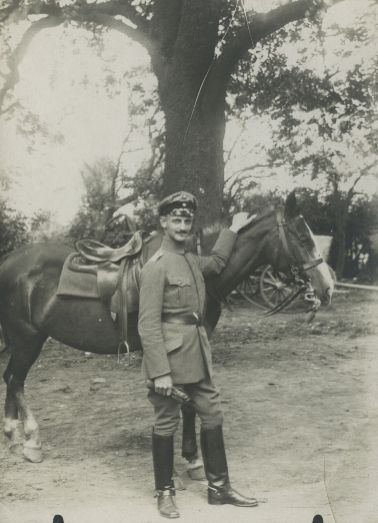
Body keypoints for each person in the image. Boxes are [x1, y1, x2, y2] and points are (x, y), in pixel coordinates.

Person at [138, 191, 258, 519]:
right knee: (166, 421)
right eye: (175, 220)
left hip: (198, 354)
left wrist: (233, 228)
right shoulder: (155, 267)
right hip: (171, 360)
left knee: (213, 414)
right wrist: (159, 371)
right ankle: (165, 491)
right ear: (163, 222)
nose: (181, 225)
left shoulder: (191, 260)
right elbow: (147, 325)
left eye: (186, 220)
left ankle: (219, 488)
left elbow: (218, 263)